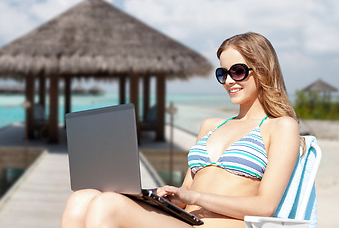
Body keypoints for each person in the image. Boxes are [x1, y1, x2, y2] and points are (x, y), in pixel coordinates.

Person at [61, 32, 301, 228]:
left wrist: (194, 197)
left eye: (237, 71)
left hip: (221, 226)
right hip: (186, 219)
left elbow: (265, 206)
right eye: (222, 73)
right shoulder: (212, 125)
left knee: (107, 205)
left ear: (261, 70)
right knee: (81, 198)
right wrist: (165, 195)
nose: (228, 81)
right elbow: (187, 192)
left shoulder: (280, 126)